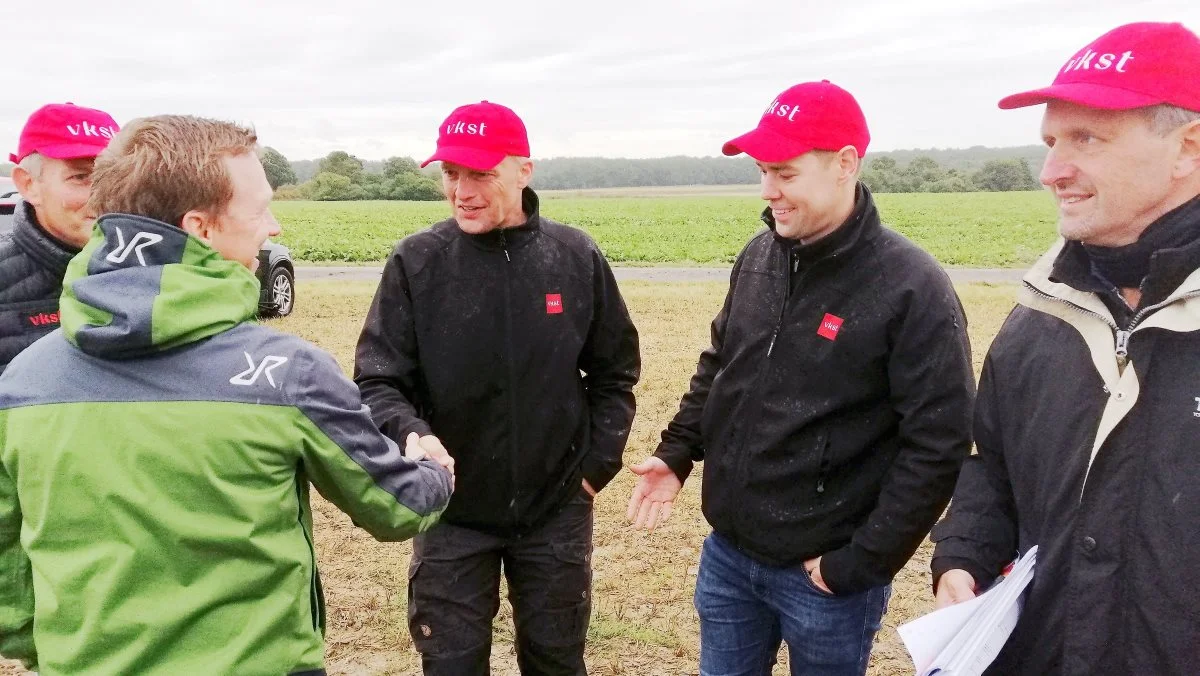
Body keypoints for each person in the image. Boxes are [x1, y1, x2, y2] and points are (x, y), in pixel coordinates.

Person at [0, 114, 454, 675]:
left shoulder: (20, 382)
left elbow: (8, 566)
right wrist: (434, 471)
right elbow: (397, 506)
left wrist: (44, 647)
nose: (274, 226)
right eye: (259, 208)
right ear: (201, 228)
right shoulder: (287, 373)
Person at [626, 80, 975, 675]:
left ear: (845, 164)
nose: (768, 191)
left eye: (784, 173)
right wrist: (679, 452)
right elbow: (721, 364)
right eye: (763, 171)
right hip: (730, 557)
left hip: (827, 579)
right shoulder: (759, 256)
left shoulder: (910, 286)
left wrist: (860, 563)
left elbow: (938, 444)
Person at [930, 21, 1200, 675]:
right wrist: (962, 554)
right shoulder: (1039, 317)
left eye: (1086, 139)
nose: (1051, 172)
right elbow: (992, 467)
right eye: (1051, 142)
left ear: (1188, 147)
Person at [354, 100, 640, 675]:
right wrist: (413, 434)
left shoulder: (574, 256)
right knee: (452, 664)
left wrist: (591, 472)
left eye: (479, 173)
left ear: (523, 171)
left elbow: (615, 372)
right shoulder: (418, 261)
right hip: (451, 515)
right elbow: (378, 379)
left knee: (556, 661)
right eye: (450, 174)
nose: (462, 190)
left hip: (556, 512)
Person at [0, 103, 119, 373]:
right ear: (29, 185)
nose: (105, 196)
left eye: (114, 177)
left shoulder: (165, 269)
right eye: (80, 177)